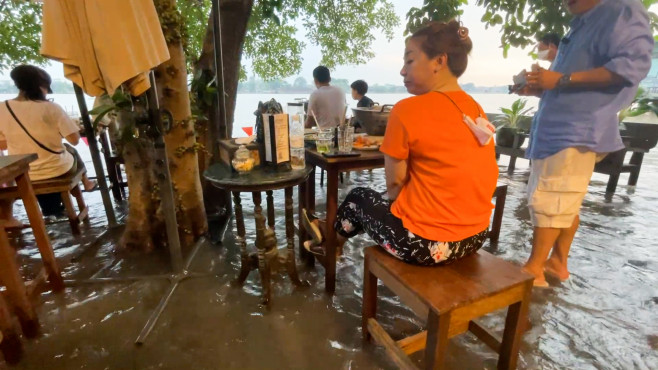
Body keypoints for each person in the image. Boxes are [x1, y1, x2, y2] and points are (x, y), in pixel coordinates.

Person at [301, 20, 499, 266]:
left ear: (439, 61)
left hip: (426, 246)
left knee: (358, 197)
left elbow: (395, 187)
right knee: (378, 200)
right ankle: (330, 238)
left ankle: (330, 242)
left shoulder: (407, 110)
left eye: (410, 61)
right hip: (475, 236)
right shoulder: (474, 107)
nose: (402, 71)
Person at [520, 0, 653, 287]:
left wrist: (561, 79)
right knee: (565, 198)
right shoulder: (582, 21)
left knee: (551, 197)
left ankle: (534, 269)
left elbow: (631, 67)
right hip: (561, 127)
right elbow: (566, 86)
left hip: (575, 129)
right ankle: (557, 262)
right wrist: (543, 87)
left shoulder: (621, 9)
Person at [0, 65, 97, 227]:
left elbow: (2, 144)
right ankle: (85, 183)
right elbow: (74, 140)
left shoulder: (2, 108)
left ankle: (7, 218)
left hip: (22, 173)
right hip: (56, 169)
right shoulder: (51, 108)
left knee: (9, 176)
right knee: (69, 149)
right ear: (40, 86)